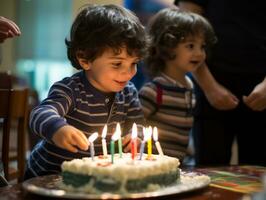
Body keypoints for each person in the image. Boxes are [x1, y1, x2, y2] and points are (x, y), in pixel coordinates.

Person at [24, 4, 149, 180]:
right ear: (84, 59)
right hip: (49, 177)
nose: (128, 72)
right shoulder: (70, 89)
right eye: (117, 63)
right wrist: (58, 129)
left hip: (92, 179)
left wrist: (137, 138)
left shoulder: (128, 92)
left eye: (134, 63)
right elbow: (40, 113)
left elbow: (138, 125)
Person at [174, 0, 266, 165]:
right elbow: (185, 24)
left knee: (260, 178)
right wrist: (210, 87)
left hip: (263, 89)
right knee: (208, 172)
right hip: (209, 84)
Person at [139, 8, 216, 162]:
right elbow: (134, 125)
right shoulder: (155, 90)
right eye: (190, 46)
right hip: (153, 165)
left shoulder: (189, 87)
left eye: (202, 46)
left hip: (179, 164)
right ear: (167, 45)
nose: (200, 53)